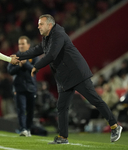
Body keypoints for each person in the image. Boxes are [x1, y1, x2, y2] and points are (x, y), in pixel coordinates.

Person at [12, 14, 122, 144]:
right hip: (65, 78)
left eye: (41, 24)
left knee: (95, 100)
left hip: (77, 74)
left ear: (50, 25)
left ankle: (115, 126)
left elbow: (52, 55)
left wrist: (36, 66)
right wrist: (19, 57)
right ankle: (63, 137)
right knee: (62, 106)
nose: (38, 27)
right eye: (38, 24)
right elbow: (36, 50)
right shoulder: (47, 38)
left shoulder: (58, 34)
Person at [7, 36, 39, 137]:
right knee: (21, 109)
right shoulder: (15, 57)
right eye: (19, 44)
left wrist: (25, 64)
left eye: (23, 44)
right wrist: (19, 65)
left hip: (31, 87)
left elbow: (36, 69)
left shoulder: (34, 56)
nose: (20, 46)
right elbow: (10, 71)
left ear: (28, 45)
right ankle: (23, 129)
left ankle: (28, 128)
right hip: (19, 87)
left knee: (30, 110)